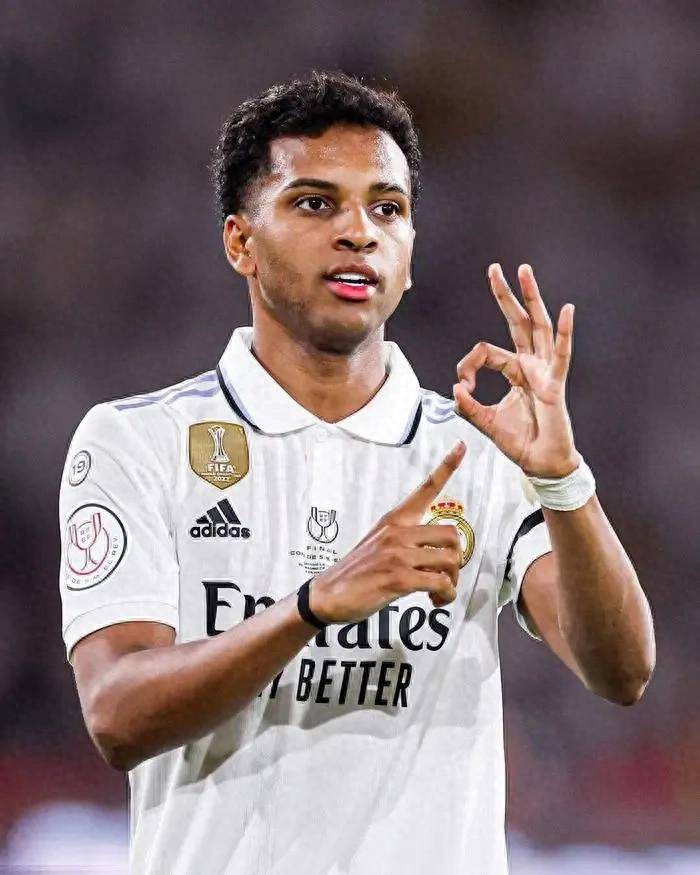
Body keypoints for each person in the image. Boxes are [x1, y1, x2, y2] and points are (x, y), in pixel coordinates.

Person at [58, 71, 655, 875]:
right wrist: (312, 606)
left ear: (409, 254)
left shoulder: (479, 451)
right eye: (315, 203)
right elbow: (116, 713)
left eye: (387, 208)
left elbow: (622, 671)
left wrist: (563, 478)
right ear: (240, 242)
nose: (358, 233)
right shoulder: (140, 441)